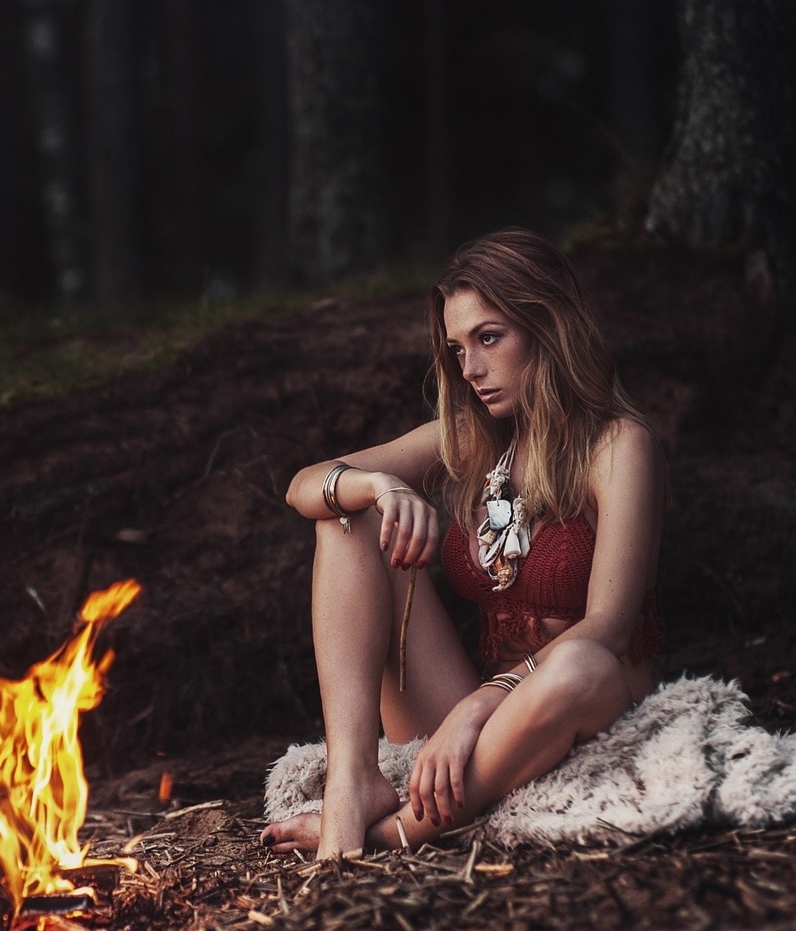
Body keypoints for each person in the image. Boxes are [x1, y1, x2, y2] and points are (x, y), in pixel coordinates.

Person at [260, 228, 664, 858]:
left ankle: (392, 836)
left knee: (579, 667)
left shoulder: (618, 446)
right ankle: (352, 781)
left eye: (489, 338)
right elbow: (303, 487)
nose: (470, 368)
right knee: (347, 519)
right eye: (456, 348)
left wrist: (482, 703)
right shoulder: (473, 439)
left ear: (549, 327)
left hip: (579, 708)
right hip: (479, 721)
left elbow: (609, 628)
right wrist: (379, 486)